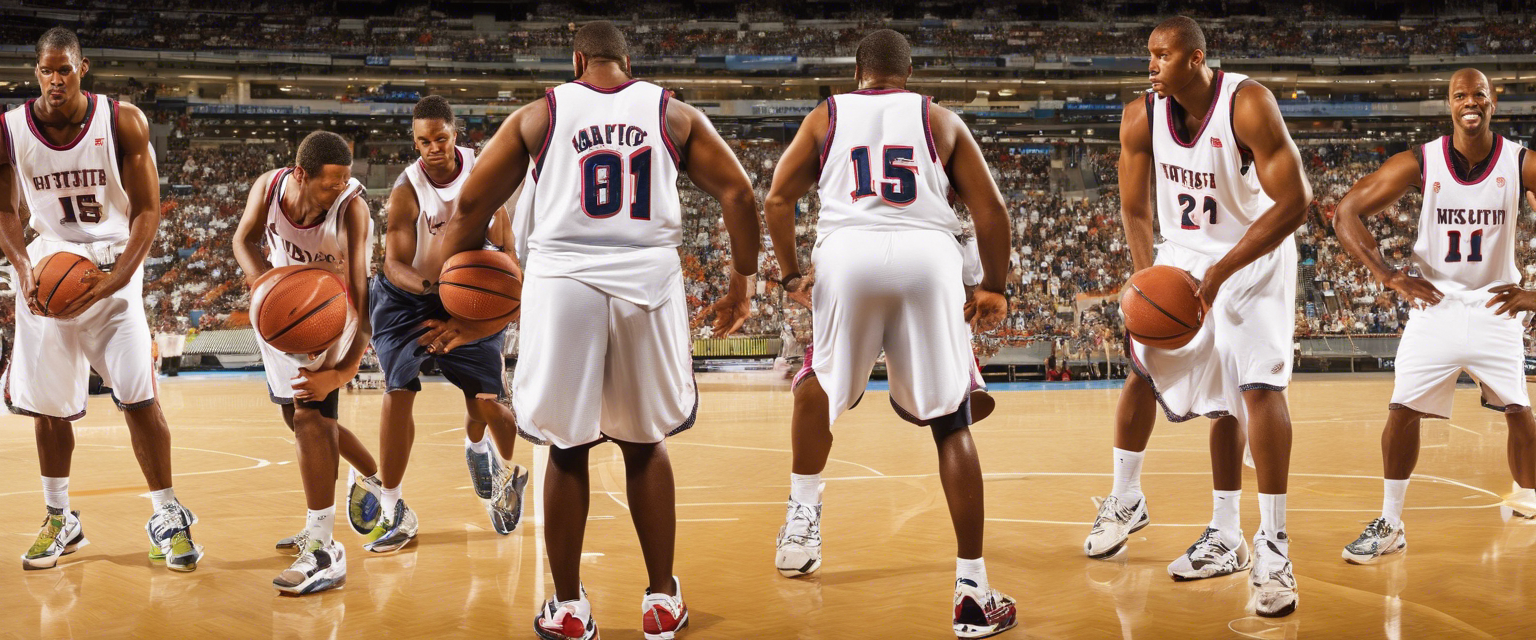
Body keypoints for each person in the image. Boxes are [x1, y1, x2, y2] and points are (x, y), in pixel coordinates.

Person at [421, 21, 761, 640]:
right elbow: (738, 194)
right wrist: (741, 287)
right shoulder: (670, 112)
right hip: (648, 282)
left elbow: (470, 208)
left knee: (567, 446)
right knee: (645, 441)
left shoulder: (539, 115)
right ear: (627, 65)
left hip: (563, 282)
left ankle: (570, 608)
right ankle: (661, 601)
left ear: (577, 60)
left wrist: (460, 291)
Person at [762, 29, 1018, 639]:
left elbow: (776, 198)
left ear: (859, 73)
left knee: (818, 385)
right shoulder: (939, 119)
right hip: (929, 258)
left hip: (848, 253)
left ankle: (801, 524)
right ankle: (973, 591)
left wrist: (792, 272)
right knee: (950, 421)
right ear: (908, 74)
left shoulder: (827, 115)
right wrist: (994, 288)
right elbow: (992, 211)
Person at [1082, 16, 1312, 617]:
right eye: (1148, 55)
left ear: (1196, 59)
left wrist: (1220, 273)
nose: (1150, 64)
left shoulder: (1249, 104)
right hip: (1183, 259)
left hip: (1253, 254)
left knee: (1255, 388)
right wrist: (1143, 279)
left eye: (1163, 55)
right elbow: (1134, 209)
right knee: (1140, 370)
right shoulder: (1140, 116)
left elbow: (1296, 201)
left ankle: (1273, 544)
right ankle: (1135, 502)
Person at [0, 27, 203, 572]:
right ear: (35, 71)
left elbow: (147, 212)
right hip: (48, 268)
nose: (56, 78)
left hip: (112, 265)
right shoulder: (10, 129)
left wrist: (116, 281)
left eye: (65, 68)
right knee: (47, 408)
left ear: (81, 68)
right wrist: (23, 269)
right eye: (47, 69)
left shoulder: (122, 120)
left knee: (138, 397)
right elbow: (4, 211)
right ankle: (59, 517)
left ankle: (167, 513)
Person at [1332, 68, 1536, 563]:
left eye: (1479, 94)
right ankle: (1391, 522)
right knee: (1402, 410)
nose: (1470, 101)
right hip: (1435, 305)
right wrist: (1387, 275)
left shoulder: (1522, 162)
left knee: (1519, 412)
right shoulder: (1421, 162)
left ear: (1493, 103)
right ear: (1449, 104)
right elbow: (1345, 212)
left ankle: (1531, 497)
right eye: (1460, 94)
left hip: (1495, 305)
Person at [365, 95, 528, 552]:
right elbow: (392, 262)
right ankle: (394, 505)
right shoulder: (407, 188)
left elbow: (508, 250)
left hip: (472, 294)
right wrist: (432, 290)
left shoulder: (482, 173)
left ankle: (492, 462)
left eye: (440, 138)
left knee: (489, 403)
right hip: (407, 297)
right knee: (397, 391)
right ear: (414, 142)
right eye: (423, 141)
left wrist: (474, 302)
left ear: (455, 133)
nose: (433, 148)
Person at [232, 130, 378, 594]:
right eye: (329, 183)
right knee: (295, 418)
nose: (339, 189)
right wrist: (261, 287)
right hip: (283, 309)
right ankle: (376, 481)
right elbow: (243, 240)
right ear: (300, 174)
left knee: (311, 416)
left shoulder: (352, 208)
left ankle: (322, 546)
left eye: (344, 180)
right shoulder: (269, 187)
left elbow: (361, 295)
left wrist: (343, 369)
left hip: (334, 312)